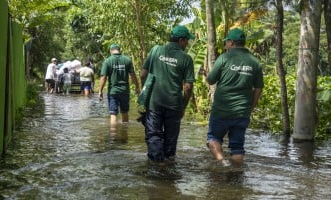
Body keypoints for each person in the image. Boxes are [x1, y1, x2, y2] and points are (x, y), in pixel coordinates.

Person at [205, 28, 264, 165]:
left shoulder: (224, 58)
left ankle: (222, 162)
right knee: (237, 147)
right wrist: (251, 107)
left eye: (227, 42)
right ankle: (236, 176)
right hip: (242, 111)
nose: (225, 44)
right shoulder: (255, 62)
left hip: (221, 110)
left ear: (232, 42)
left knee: (213, 138)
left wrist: (207, 75)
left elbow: (211, 80)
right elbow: (258, 88)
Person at [140, 25, 195, 164]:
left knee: (154, 135)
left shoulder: (155, 50)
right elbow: (188, 87)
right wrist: (183, 106)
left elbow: (143, 74)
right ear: (181, 40)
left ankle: (157, 167)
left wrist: (145, 93)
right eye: (187, 40)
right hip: (174, 104)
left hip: (154, 102)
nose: (187, 44)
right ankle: (169, 170)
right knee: (170, 140)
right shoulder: (186, 59)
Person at [99, 44, 140, 125]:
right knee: (125, 112)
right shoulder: (127, 60)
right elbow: (133, 75)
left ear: (111, 51)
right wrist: (137, 87)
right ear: (119, 50)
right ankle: (125, 132)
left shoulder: (107, 61)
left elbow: (103, 77)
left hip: (113, 91)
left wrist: (100, 91)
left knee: (113, 113)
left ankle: (113, 135)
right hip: (125, 90)